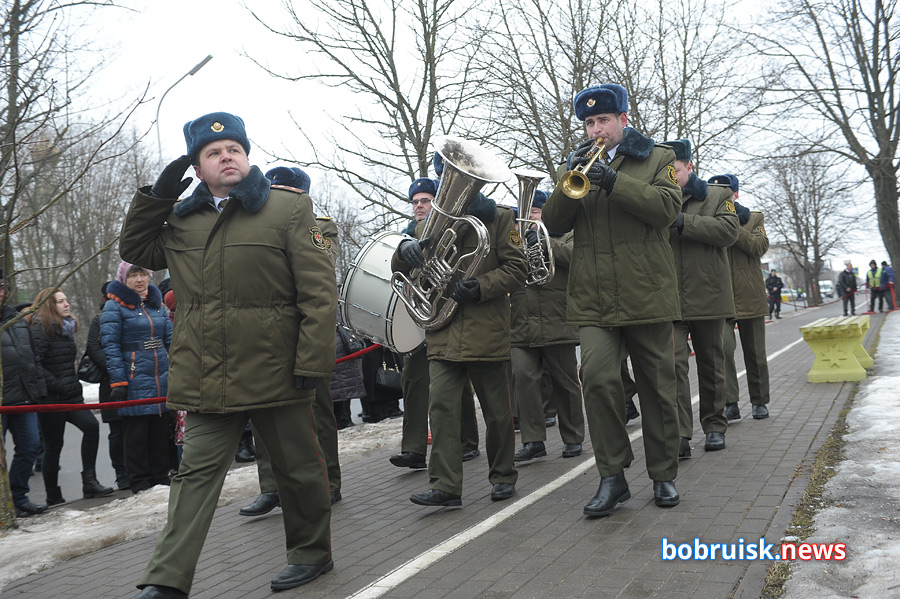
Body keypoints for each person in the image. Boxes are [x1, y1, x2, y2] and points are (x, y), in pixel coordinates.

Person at [121, 112, 337, 598]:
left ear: (246, 155)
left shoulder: (287, 210)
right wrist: (156, 197)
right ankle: (166, 579)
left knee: (298, 470)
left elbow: (319, 293)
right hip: (205, 373)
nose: (226, 157)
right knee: (194, 477)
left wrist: (312, 363)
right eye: (213, 153)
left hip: (276, 367)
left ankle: (311, 553)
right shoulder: (178, 218)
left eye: (234, 150)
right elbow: (135, 247)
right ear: (198, 168)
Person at [542, 83, 683, 516]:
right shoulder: (579, 164)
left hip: (647, 293)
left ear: (623, 119)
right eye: (588, 122)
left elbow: (666, 209)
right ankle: (613, 476)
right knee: (600, 380)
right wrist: (567, 185)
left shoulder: (657, 157)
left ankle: (663, 476)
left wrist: (616, 181)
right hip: (593, 297)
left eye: (603, 120)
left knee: (658, 387)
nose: (595, 129)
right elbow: (552, 222)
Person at [393, 156, 526, 507]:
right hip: (443, 331)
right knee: (442, 411)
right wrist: (404, 249)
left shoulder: (500, 218)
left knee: (497, 414)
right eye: (445, 181)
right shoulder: (427, 225)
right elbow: (401, 267)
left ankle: (502, 475)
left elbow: (517, 269)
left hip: (486, 331)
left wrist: (480, 286)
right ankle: (446, 486)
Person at [239, 166, 344, 515]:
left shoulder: (320, 226)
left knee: (317, 417)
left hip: (306, 335)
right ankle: (271, 487)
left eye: (282, 191)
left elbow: (320, 270)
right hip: (267, 336)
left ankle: (328, 482)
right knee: (263, 414)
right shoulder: (253, 225)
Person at [389, 176, 481, 470]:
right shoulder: (407, 234)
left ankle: (468, 442)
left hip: (449, 311)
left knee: (456, 375)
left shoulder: (454, 226)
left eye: (424, 200)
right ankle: (414, 449)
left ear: (436, 202)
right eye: (415, 202)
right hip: (419, 314)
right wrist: (404, 250)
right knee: (414, 379)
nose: (418, 206)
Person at [663, 140, 738, 456]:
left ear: (689, 167)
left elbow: (728, 231)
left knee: (711, 364)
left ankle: (714, 426)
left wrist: (684, 222)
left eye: (675, 171)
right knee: (674, 365)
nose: (669, 177)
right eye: (664, 171)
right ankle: (681, 433)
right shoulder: (658, 200)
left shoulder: (717, 195)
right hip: (670, 300)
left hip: (708, 296)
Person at [511, 190, 585, 463]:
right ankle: (533, 440)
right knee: (524, 381)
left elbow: (577, 258)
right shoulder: (515, 239)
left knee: (565, 383)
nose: (530, 215)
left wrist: (544, 243)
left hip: (557, 319)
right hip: (522, 321)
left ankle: (573, 436)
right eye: (526, 211)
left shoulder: (565, 233)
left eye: (535, 210)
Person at [27, 287, 114, 505]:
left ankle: (90, 482)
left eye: (66, 300)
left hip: (71, 396)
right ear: (49, 305)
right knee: (54, 446)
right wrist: (59, 385)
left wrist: (72, 385)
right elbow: (35, 365)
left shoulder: (65, 329)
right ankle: (53, 495)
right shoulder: (40, 329)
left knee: (91, 428)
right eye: (60, 301)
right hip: (51, 399)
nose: (67, 304)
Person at [100, 262, 173, 494]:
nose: (139, 279)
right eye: (133, 275)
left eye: (142, 274)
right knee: (137, 434)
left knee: (160, 431)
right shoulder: (114, 306)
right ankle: (139, 481)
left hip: (160, 374)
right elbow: (110, 346)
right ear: (124, 279)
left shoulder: (157, 304)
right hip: (133, 376)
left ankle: (160, 476)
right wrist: (118, 381)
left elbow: (170, 340)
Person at [708, 174, 771, 421]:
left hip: (750, 296)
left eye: (725, 192)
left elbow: (759, 247)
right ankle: (730, 402)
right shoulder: (709, 216)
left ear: (735, 193)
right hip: (719, 297)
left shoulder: (754, 218)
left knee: (755, 353)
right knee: (722, 351)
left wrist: (734, 224)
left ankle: (760, 401)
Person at [0, 273, 48, 517]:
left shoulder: (17, 320)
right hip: (1, 403)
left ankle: (19, 497)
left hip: (24, 398)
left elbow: (33, 359)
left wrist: (38, 391)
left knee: (29, 447)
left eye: (1, 287)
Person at [86, 280, 130, 490]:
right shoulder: (99, 319)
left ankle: (136, 469)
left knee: (134, 429)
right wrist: (116, 368)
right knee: (117, 431)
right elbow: (94, 349)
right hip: (110, 383)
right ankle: (121, 473)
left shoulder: (129, 315)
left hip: (133, 379)